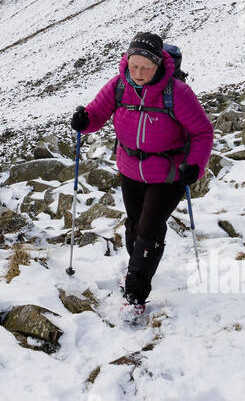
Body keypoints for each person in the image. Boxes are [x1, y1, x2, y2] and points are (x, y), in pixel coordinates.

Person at [70, 31, 214, 323]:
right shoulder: (119, 86)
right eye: (134, 66)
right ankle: (138, 266)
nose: (138, 73)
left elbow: (202, 132)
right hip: (130, 168)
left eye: (145, 68)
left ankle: (135, 293)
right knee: (136, 226)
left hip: (169, 173)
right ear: (127, 61)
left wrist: (194, 166)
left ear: (159, 65)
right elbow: (97, 115)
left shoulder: (177, 93)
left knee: (149, 228)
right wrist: (84, 122)